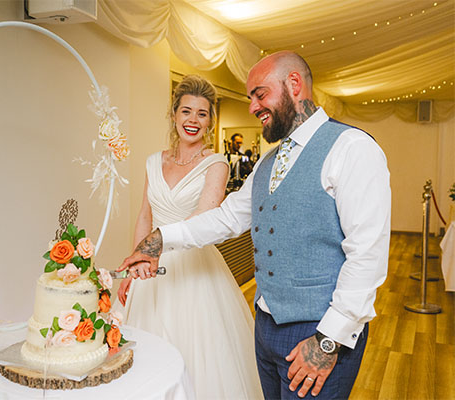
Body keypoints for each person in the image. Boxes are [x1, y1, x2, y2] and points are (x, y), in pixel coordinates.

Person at [118, 51, 391, 400]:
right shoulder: (268, 161)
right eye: (250, 98)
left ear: (294, 85)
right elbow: (227, 217)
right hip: (266, 328)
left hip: (318, 334)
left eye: (260, 94)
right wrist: (158, 239)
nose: (252, 107)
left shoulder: (351, 148)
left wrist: (328, 340)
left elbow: (367, 254)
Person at [116, 74, 264, 400]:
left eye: (201, 113)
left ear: (210, 120)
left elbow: (203, 220)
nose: (193, 120)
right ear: (174, 114)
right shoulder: (154, 161)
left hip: (194, 269)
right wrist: (134, 266)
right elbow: (144, 215)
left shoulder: (216, 164)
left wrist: (156, 249)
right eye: (186, 111)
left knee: (197, 356)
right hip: (150, 271)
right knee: (144, 354)